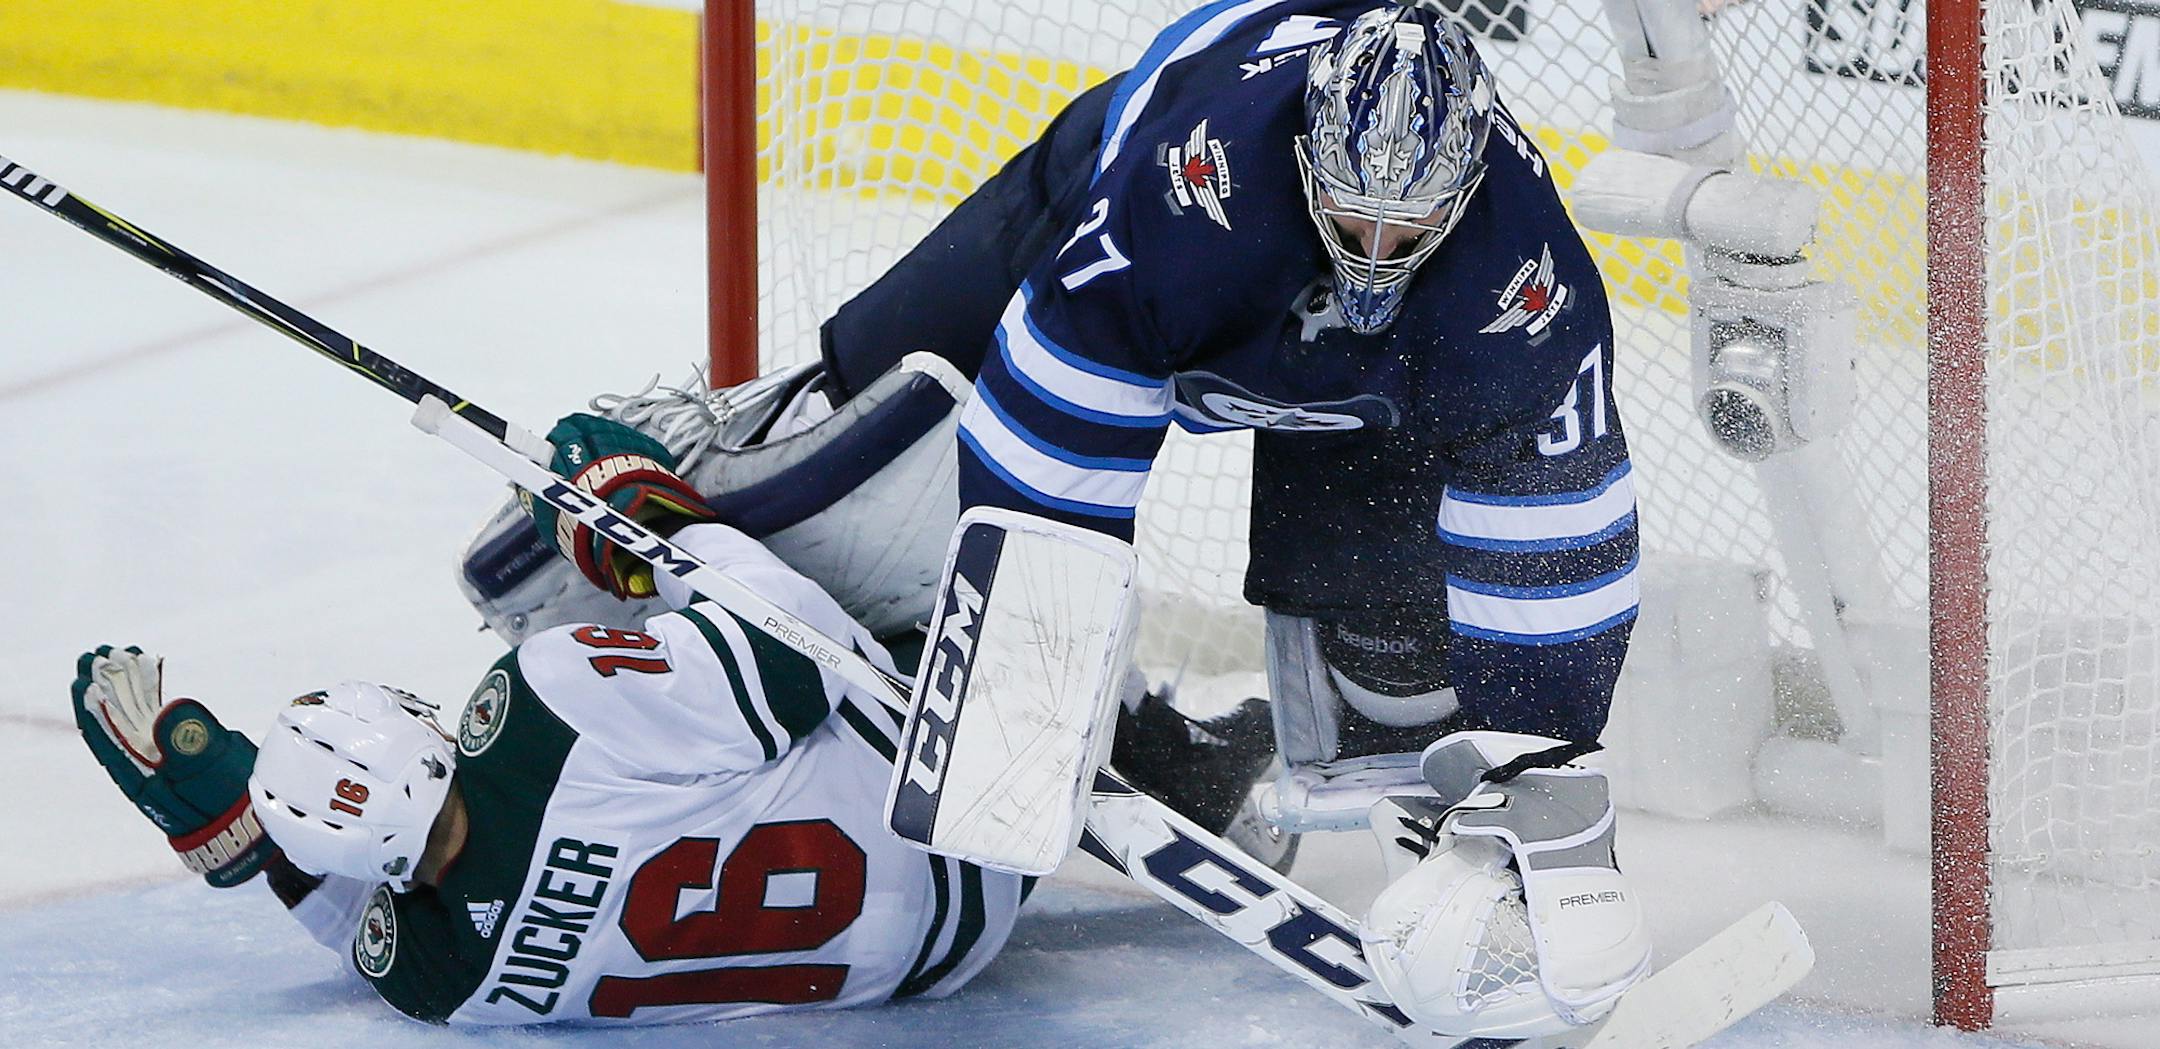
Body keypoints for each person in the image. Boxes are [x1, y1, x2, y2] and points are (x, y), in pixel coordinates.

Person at [463, 2, 1650, 1033]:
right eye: (1357, 216)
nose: (1377, 253)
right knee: (866, 454)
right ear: (1305, 152)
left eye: (1411, 227)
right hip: (1093, 212)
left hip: (1372, 382)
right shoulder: (1195, 183)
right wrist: (1025, 664)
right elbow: (1055, 423)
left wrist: (1544, 763)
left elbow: (1555, 521)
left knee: (1399, 679)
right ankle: (683, 516)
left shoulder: (1521, 278)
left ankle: (1184, 765)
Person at [74, 416, 1024, 1026]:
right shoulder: (542, 709)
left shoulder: (440, 981)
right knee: (729, 590)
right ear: (419, 725)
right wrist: (645, 521)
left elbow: (367, 922)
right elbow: (799, 648)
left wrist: (260, 846)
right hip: (955, 780)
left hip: (933, 957)